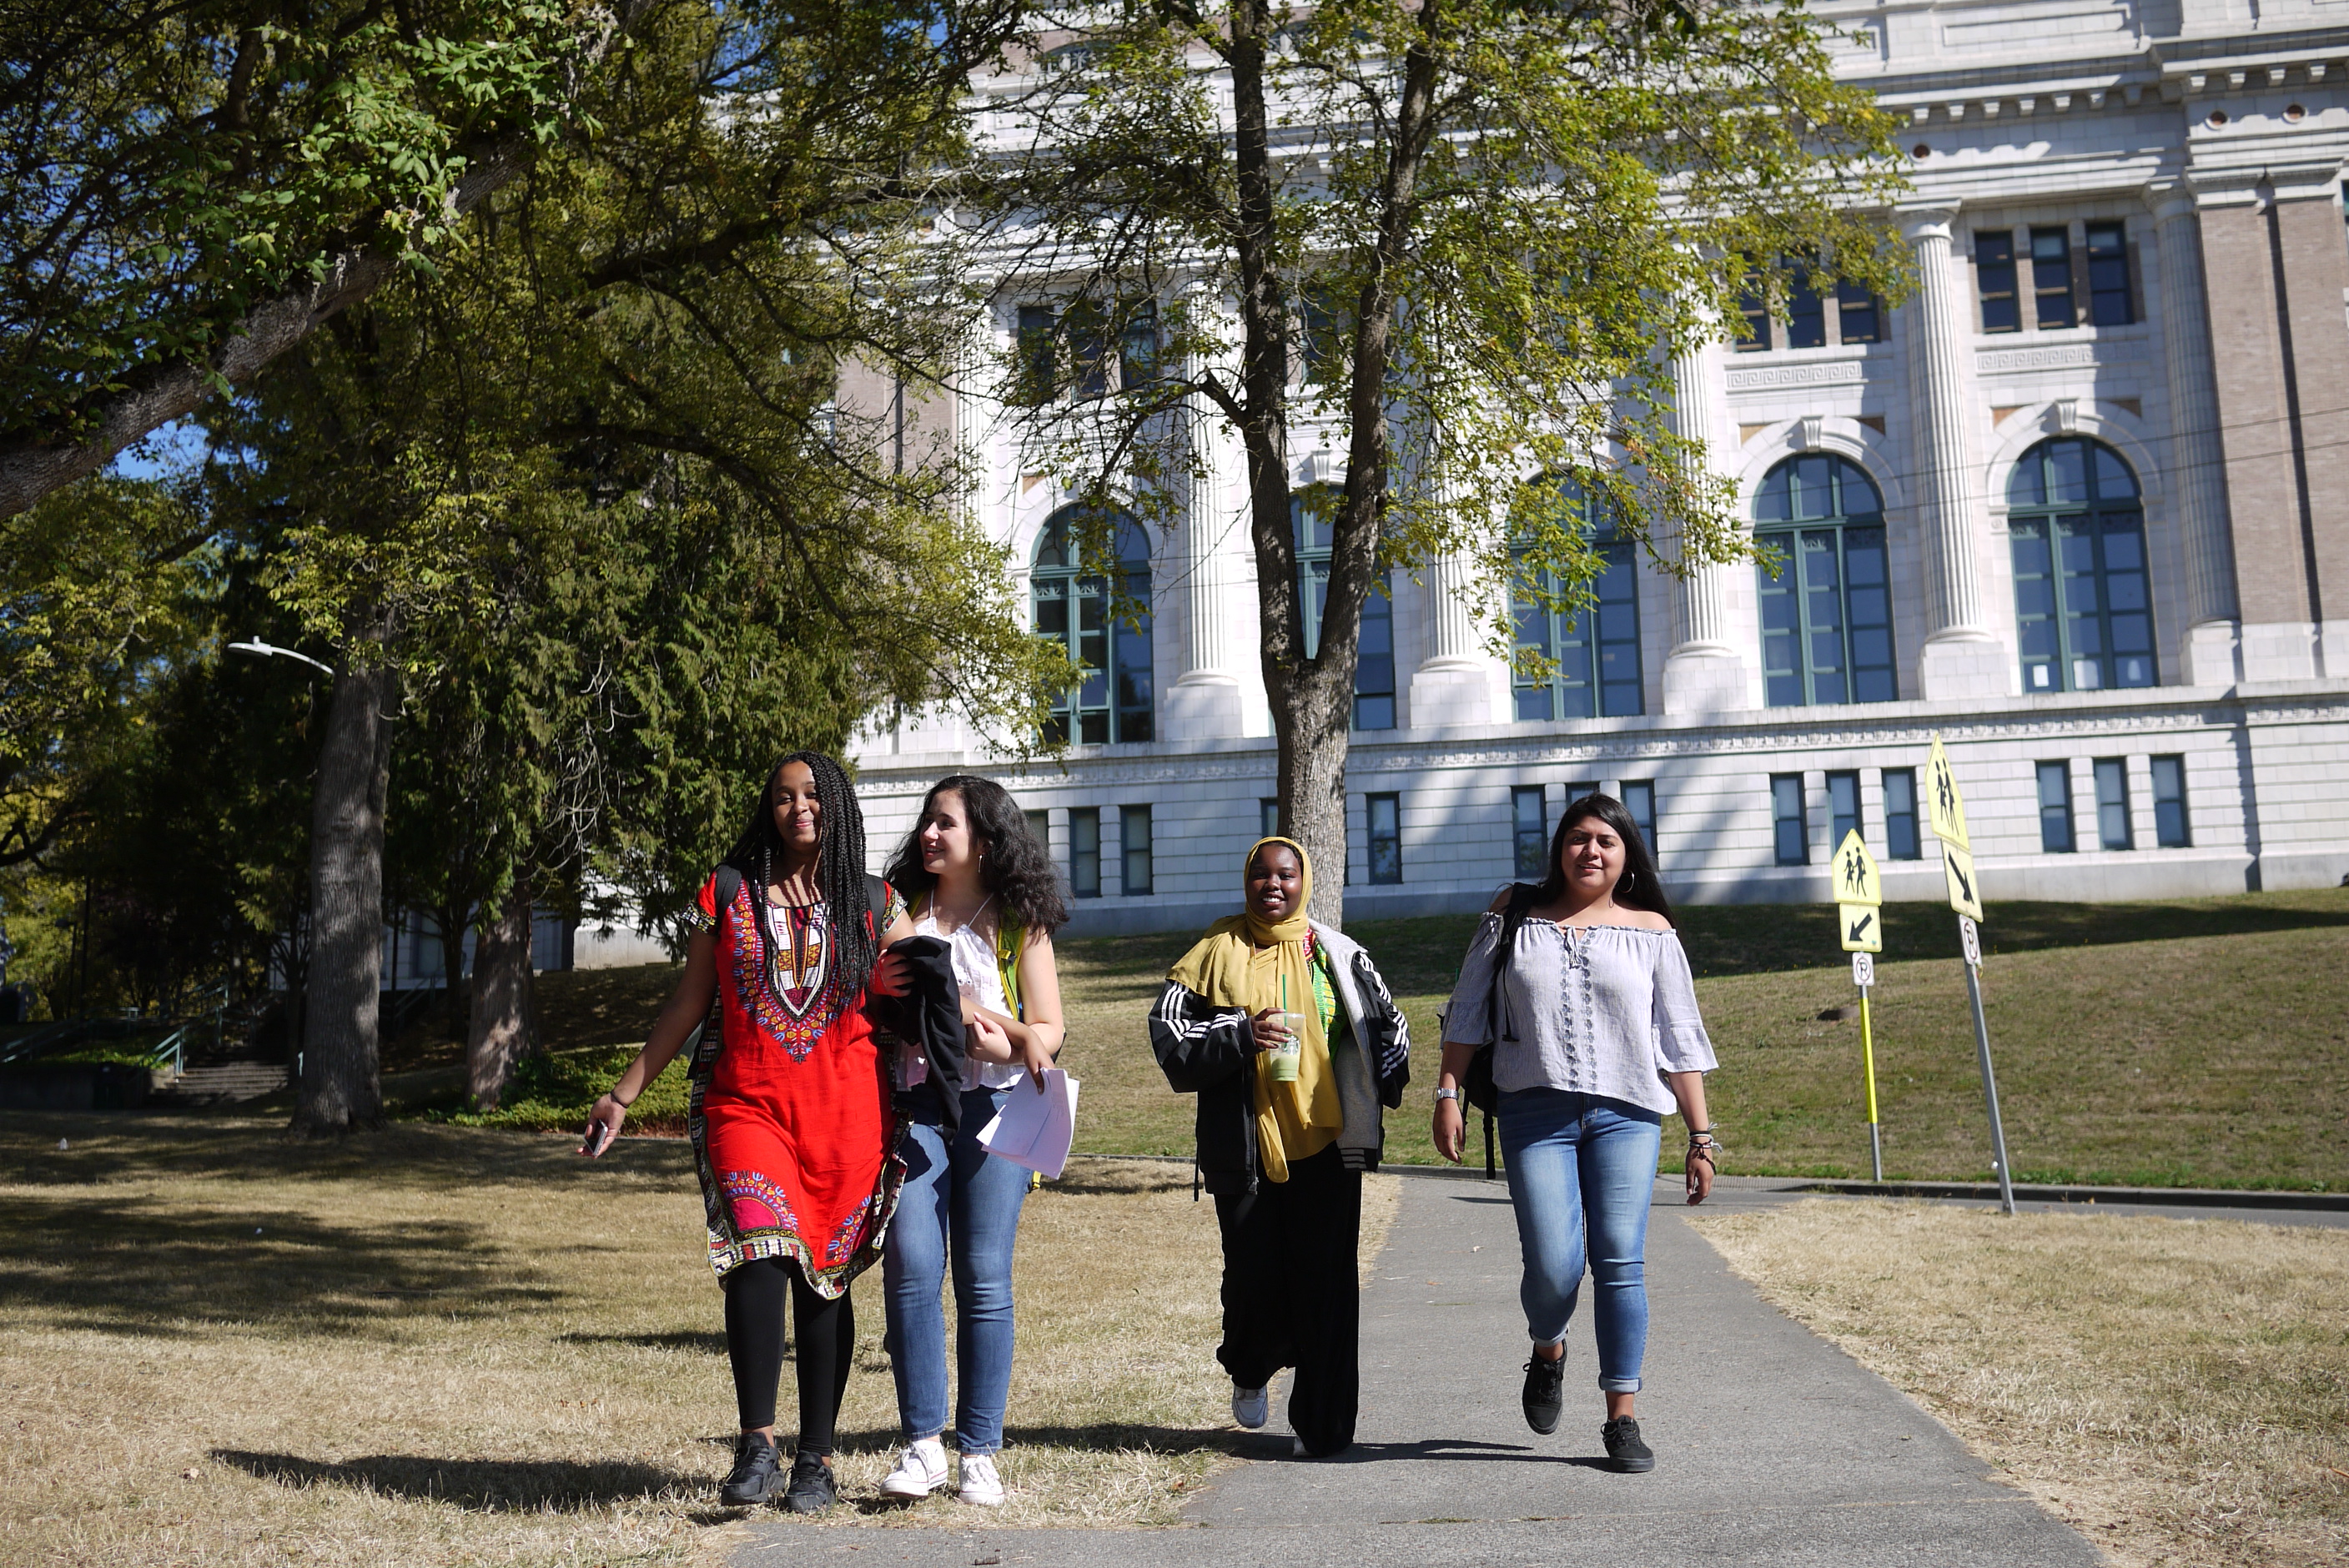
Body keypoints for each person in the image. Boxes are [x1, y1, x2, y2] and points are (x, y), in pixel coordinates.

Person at [582, 752, 918, 1514]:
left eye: (811, 796)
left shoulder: (876, 903)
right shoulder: (728, 894)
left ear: (836, 804)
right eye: (782, 798)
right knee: (759, 1258)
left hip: (846, 1119)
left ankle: (818, 1459)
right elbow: (689, 1001)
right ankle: (758, 1444)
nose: (797, 809)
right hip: (748, 1108)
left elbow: (921, 998)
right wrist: (623, 1093)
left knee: (824, 1281)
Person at [1432, 792, 1718, 1475]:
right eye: (1579, 838)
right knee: (1556, 1266)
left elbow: (1678, 1036)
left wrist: (1701, 1136)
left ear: (1626, 857)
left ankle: (1622, 1417)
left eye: (1607, 841)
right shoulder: (1513, 914)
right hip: (1535, 1110)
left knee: (1621, 1258)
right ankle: (1547, 1348)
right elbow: (1469, 1004)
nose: (1591, 851)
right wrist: (1449, 1092)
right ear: (1560, 846)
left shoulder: (1651, 930)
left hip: (1628, 1114)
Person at [1148, 837, 1410, 1458]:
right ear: (1246, 882)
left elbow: (1387, 1025)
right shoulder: (1211, 953)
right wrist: (1241, 1033)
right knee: (1253, 1280)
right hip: (1244, 1149)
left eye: (1287, 875)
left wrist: (1384, 1079)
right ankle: (1250, 1365)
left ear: (1304, 881)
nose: (1274, 884)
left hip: (1327, 1146)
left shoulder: (1336, 954)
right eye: (1261, 874)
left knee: (1326, 1287)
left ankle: (1322, 1428)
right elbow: (1170, 1042)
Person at [873, 775, 1069, 1508]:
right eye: (927, 821)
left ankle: (978, 1452)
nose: (928, 834)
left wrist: (1014, 1044)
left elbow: (1050, 1027)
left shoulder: (1020, 922)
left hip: (997, 1109)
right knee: (912, 1263)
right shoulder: (896, 912)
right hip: (912, 1106)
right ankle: (922, 1445)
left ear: (984, 840)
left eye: (945, 824)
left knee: (985, 1278)